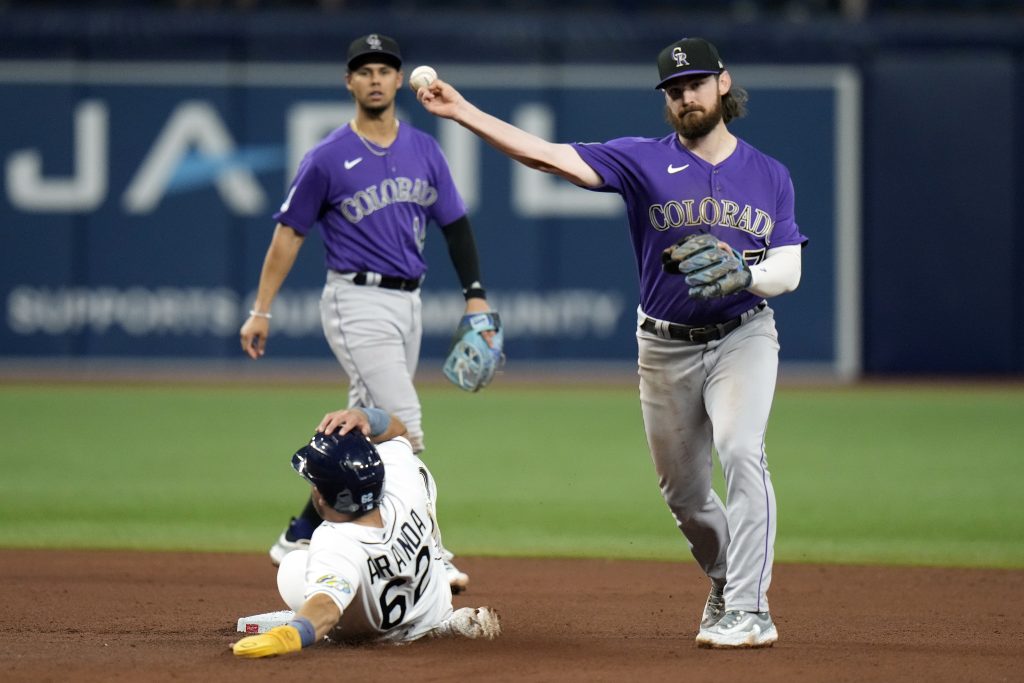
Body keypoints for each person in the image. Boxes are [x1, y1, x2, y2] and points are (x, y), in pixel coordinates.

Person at [416, 37, 806, 648]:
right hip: (665, 347)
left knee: (740, 448)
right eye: (674, 90)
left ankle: (751, 609)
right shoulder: (642, 161)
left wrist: (746, 274)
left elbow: (789, 268)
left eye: (696, 84)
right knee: (685, 496)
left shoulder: (769, 174)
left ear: (723, 84)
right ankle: (727, 579)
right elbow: (546, 157)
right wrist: (461, 111)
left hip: (743, 335)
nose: (686, 97)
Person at [239, 32, 492, 591]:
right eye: (364, 70)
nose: (375, 79)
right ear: (349, 82)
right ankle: (432, 551)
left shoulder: (425, 150)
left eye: (384, 70)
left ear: (399, 80)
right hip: (355, 300)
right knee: (405, 425)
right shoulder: (327, 156)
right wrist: (261, 310)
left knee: (364, 427)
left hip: (409, 301)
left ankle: (300, 534)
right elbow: (289, 234)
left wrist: (474, 293)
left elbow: (455, 225)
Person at [231, 406, 501, 657]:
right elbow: (398, 430)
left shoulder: (335, 542)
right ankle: (441, 625)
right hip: (433, 607)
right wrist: (365, 416)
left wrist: (288, 636)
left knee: (293, 565)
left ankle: (416, 631)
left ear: (323, 497)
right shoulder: (402, 477)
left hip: (379, 637)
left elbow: (326, 607)